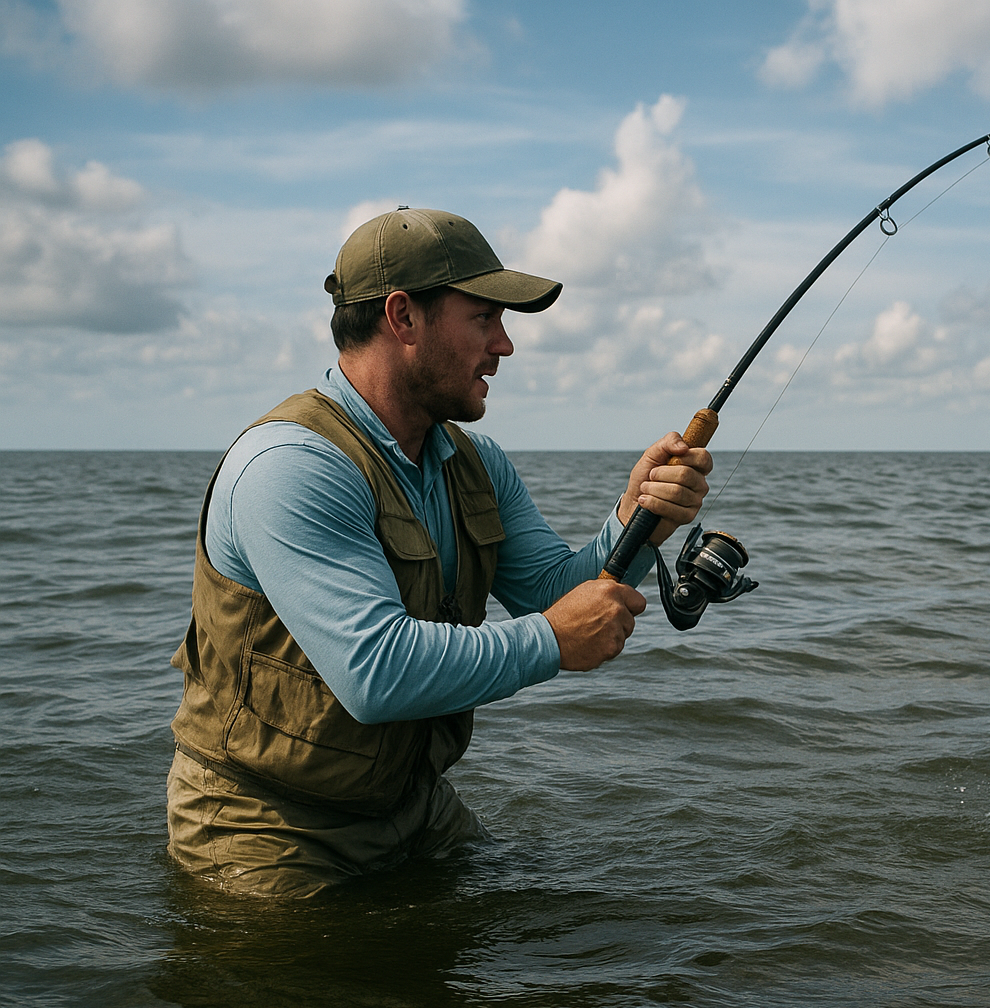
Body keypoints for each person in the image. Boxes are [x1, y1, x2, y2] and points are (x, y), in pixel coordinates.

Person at [165, 207, 712, 897]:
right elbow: (375, 672)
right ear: (403, 318)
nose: (505, 345)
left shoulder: (473, 461)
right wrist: (548, 641)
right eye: (485, 318)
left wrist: (637, 521)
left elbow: (553, 590)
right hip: (268, 830)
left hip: (413, 808)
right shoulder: (291, 464)